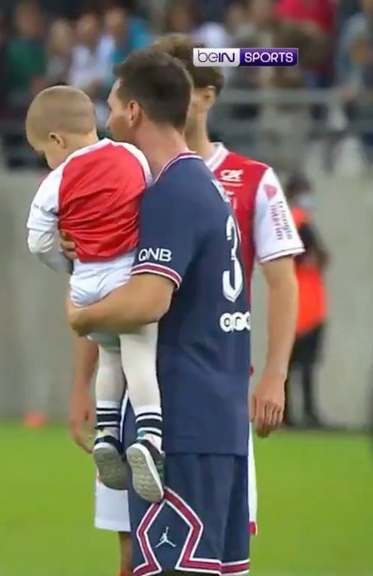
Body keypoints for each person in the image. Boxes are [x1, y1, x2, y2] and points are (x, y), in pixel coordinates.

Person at [69, 34, 305, 575]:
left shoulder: (179, 189)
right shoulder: (199, 184)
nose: (105, 120)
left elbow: (148, 300)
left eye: (109, 106)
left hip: (177, 422)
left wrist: (81, 317)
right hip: (216, 416)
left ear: (134, 110)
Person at [24, 85, 165, 502]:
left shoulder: (59, 178)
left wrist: (64, 264)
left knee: (109, 355)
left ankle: (106, 434)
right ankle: (150, 439)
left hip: (86, 280)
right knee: (139, 354)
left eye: (42, 152)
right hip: (126, 273)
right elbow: (149, 199)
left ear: (56, 140)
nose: (46, 160)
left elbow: (37, 239)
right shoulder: (132, 156)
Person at [285, 173, 328, 428]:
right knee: (303, 366)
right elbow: (320, 256)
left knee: (295, 366)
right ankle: (303, 414)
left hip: (302, 304)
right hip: (306, 307)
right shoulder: (300, 223)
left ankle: (292, 414)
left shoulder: (288, 224)